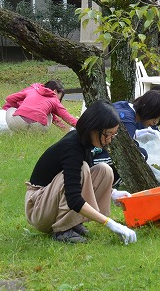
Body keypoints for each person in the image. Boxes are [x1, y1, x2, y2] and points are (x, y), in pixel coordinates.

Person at [24, 100, 137, 244]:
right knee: (83, 170)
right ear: (94, 129)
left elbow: (85, 182)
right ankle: (63, 230)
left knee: (104, 170)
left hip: (49, 202)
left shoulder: (86, 142)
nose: (109, 140)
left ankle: (72, 223)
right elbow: (74, 198)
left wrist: (113, 193)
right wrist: (111, 224)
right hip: (38, 207)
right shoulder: (72, 147)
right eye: (107, 134)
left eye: (113, 135)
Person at [92, 89, 160, 186]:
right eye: (156, 117)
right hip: (93, 155)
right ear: (149, 110)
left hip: (95, 150)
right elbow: (125, 150)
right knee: (139, 154)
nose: (155, 122)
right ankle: (109, 182)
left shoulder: (124, 106)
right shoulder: (127, 119)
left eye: (159, 119)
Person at [3, 80, 77, 132]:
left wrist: (20, 107)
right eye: (60, 96)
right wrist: (84, 125)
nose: (59, 100)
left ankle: (16, 132)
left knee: (11, 109)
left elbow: (9, 99)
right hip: (39, 127)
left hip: (18, 122)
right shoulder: (54, 100)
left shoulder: (32, 90)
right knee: (49, 114)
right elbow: (69, 118)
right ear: (54, 91)